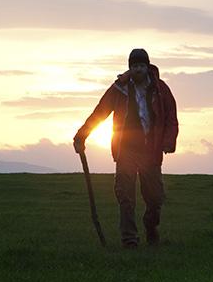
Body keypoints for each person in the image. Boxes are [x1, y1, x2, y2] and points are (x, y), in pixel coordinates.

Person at [73, 49, 178, 247]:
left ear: (147, 67)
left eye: (141, 66)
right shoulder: (119, 89)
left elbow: (171, 116)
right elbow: (100, 112)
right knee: (126, 196)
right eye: (134, 66)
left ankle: (150, 226)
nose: (138, 69)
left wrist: (168, 141)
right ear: (130, 68)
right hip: (126, 150)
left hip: (151, 150)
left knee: (155, 198)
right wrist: (82, 135)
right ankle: (129, 240)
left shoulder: (161, 89)